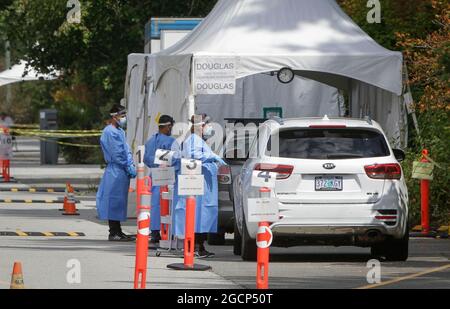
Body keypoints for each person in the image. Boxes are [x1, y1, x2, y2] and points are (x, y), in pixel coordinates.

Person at [173, 114, 227, 258]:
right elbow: (193, 154)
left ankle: (199, 246)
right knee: (198, 215)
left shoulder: (197, 140)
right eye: (208, 124)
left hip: (203, 183)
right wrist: (212, 157)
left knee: (202, 215)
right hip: (199, 183)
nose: (210, 127)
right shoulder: (194, 140)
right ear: (201, 126)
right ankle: (196, 246)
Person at [96, 105, 137, 241]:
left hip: (121, 170)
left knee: (119, 201)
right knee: (113, 201)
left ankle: (118, 230)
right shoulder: (110, 132)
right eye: (122, 115)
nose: (124, 118)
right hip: (116, 170)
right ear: (114, 116)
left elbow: (125, 150)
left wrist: (130, 163)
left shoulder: (119, 131)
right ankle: (113, 232)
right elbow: (117, 153)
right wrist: (127, 165)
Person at [143, 115, 177, 244]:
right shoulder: (171, 141)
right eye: (171, 127)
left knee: (155, 204)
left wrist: (156, 164)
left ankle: (155, 232)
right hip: (167, 175)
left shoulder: (150, 141)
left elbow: (146, 159)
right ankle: (167, 232)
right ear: (168, 126)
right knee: (168, 205)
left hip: (154, 175)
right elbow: (176, 159)